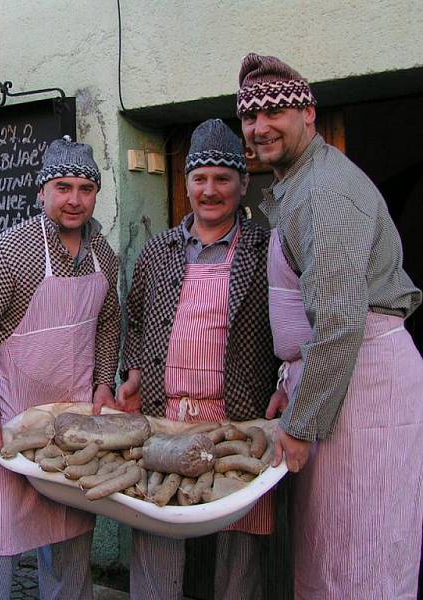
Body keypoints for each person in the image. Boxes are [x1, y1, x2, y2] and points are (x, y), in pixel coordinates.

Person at [236, 52, 423, 598]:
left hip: (364, 388)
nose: (261, 126)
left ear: (309, 113)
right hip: (334, 383)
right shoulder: (298, 182)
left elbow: (340, 324)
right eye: (250, 116)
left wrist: (300, 424)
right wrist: (288, 388)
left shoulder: (327, 191)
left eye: (276, 112)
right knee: (328, 552)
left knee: (359, 554)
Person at [117, 119, 279, 599]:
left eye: (222, 178)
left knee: (240, 541)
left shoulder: (266, 248)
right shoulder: (159, 250)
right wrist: (136, 374)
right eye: (200, 178)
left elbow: (292, 327)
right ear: (186, 183)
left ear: (243, 183)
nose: (210, 190)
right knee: (158, 523)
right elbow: (140, 320)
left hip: (238, 422)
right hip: (168, 418)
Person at [0, 135, 120, 600]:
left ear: (95, 194)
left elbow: (109, 325)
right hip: (10, 424)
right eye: (63, 187)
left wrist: (104, 384)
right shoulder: (7, 252)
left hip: (72, 428)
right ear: (42, 191)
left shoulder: (103, 257)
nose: (74, 199)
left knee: (69, 531)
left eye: (85, 188)